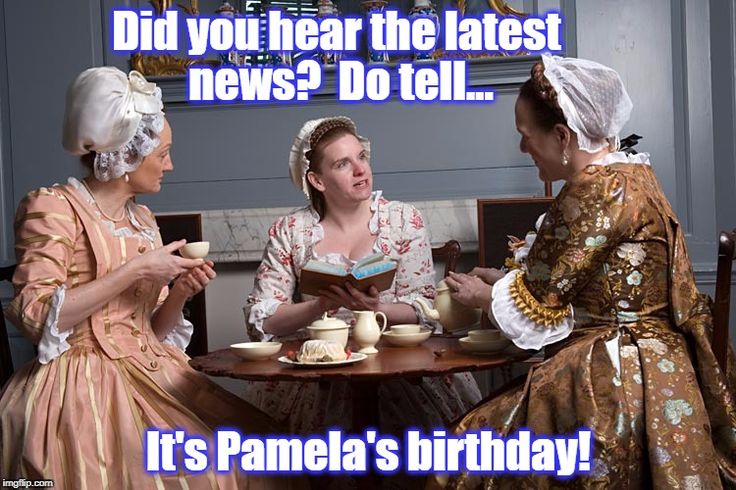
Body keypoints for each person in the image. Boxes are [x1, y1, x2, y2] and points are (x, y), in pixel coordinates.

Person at [430, 55, 736, 488]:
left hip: (620, 375)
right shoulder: (631, 175)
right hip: (652, 360)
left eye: (524, 136)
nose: (522, 149)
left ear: (561, 135)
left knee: (463, 454)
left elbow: (541, 304)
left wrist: (481, 297)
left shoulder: (597, 188)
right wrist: (500, 284)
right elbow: (577, 283)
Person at [0, 67, 300, 489]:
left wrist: (178, 292)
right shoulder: (52, 207)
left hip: (152, 370)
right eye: (163, 154)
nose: (171, 165)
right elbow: (35, 315)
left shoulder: (141, 219)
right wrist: (138, 269)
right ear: (126, 156)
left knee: (266, 450)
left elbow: (153, 329)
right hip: (81, 387)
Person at [243, 116, 481, 437]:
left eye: (362, 157)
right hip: (321, 372)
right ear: (317, 181)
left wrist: (375, 308)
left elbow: (424, 310)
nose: (360, 170)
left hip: (399, 369)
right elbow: (263, 321)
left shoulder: (403, 220)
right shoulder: (291, 231)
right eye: (343, 163)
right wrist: (319, 306)